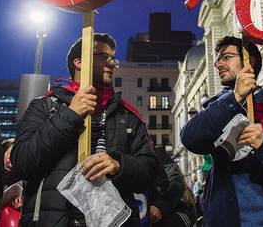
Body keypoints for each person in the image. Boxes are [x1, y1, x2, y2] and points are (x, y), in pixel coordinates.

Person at [12, 32, 159, 226]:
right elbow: (23, 161)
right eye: (103, 56)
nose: (112, 63)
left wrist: (119, 165)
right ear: (79, 62)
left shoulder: (128, 116)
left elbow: (150, 172)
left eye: (113, 58)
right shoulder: (44, 107)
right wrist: (71, 114)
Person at [180, 36, 263, 226]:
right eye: (218, 59)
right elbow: (189, 138)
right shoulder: (219, 108)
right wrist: (235, 98)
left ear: (249, 60)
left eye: (226, 57)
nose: (218, 64)